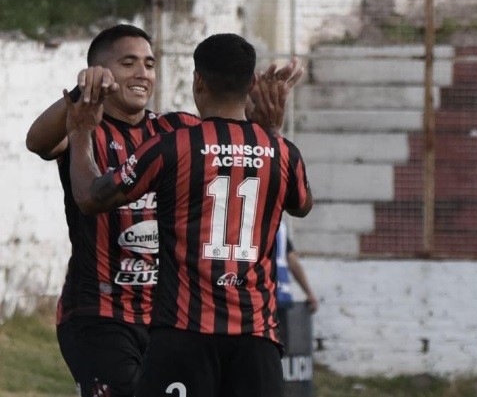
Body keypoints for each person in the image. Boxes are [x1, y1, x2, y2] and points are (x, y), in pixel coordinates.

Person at [25, 24, 298, 396]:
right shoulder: (85, 129)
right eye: (128, 63)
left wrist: (261, 115)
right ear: (100, 70)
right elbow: (37, 141)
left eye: (150, 65)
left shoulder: (177, 130)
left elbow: (233, 140)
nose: (142, 73)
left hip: (168, 318)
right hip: (100, 312)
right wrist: (81, 93)